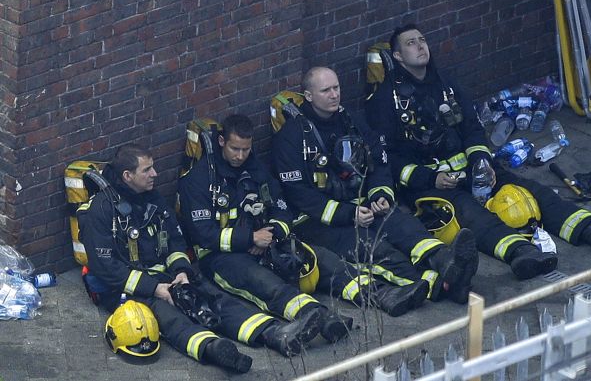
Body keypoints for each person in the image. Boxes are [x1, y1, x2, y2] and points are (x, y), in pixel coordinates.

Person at [365, 23, 591, 280]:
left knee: (533, 190)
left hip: (472, 170)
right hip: (431, 184)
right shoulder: (384, 101)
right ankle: (521, 254)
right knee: (471, 214)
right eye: (411, 43)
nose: (420, 46)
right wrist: (430, 179)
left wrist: (481, 160)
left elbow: (473, 129)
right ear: (398, 57)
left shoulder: (446, 84)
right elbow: (388, 159)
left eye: (422, 40)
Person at [77, 144, 325, 372]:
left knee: (214, 299)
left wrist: (182, 272)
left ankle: (274, 334)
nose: (155, 174)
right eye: (147, 169)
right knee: (168, 316)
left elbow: (175, 241)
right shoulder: (100, 211)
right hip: (128, 287)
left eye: (153, 167)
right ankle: (215, 350)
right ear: (127, 176)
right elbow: (104, 267)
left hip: (168, 275)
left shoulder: (152, 199)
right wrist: (155, 289)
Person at [177, 114, 430, 320]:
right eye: (235, 149)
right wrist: (250, 238)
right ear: (221, 142)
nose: (240, 156)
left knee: (324, 260)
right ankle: (317, 317)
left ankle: (384, 296)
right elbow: (204, 235)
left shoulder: (257, 169)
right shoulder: (197, 182)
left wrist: (272, 233)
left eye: (246, 149)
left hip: (267, 240)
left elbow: (282, 208)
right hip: (223, 256)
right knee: (263, 282)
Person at [272, 67, 479, 304]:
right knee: (376, 250)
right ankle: (440, 285)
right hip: (321, 222)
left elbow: (379, 159)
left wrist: (380, 194)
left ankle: (446, 260)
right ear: (308, 96)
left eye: (336, 88)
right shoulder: (290, 138)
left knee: (404, 226)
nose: (334, 95)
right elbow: (299, 194)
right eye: (326, 90)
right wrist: (348, 214)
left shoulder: (350, 120)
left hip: (363, 206)